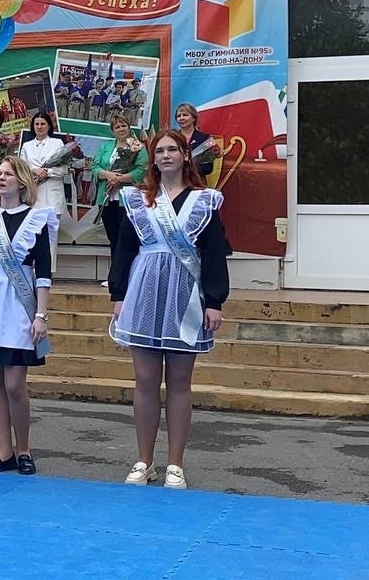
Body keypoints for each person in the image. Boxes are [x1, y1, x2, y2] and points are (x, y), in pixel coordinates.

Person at [109, 130, 229, 490]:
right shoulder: (138, 200)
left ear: (185, 155)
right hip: (144, 290)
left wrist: (214, 300)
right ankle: (144, 460)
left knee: (179, 382)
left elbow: (214, 252)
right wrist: (118, 293)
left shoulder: (204, 200)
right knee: (145, 381)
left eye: (172, 149)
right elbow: (124, 248)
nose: (165, 155)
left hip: (185, 294)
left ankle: (175, 463)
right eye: (159, 150)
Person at [0, 156, 57, 476]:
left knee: (15, 383)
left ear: (22, 181)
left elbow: (43, 271)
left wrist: (41, 314)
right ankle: (5, 451)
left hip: (19, 303)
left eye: (8, 174)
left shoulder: (37, 217)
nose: (1, 178)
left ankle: (24, 449)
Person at [89, 115, 148, 287]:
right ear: (112, 130)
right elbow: (95, 167)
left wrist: (120, 179)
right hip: (107, 198)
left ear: (129, 127)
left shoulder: (138, 147)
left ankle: (129, 276)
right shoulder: (106, 146)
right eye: (117, 127)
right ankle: (115, 276)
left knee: (126, 237)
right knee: (113, 237)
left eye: (124, 126)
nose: (121, 129)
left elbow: (141, 170)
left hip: (126, 199)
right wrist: (109, 175)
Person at [18, 111, 67, 272]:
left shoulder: (57, 143)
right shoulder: (27, 146)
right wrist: (34, 171)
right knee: (32, 234)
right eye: (37, 124)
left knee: (50, 235)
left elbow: (63, 170)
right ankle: (31, 269)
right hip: (33, 194)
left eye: (43, 124)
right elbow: (22, 169)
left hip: (52, 194)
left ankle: (47, 271)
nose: (39, 127)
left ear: (49, 126)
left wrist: (46, 172)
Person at [175, 103, 215, 180]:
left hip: (197, 181)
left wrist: (186, 169)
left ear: (194, 118)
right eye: (178, 116)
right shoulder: (172, 138)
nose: (181, 118)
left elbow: (208, 168)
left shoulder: (205, 139)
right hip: (174, 181)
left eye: (185, 115)